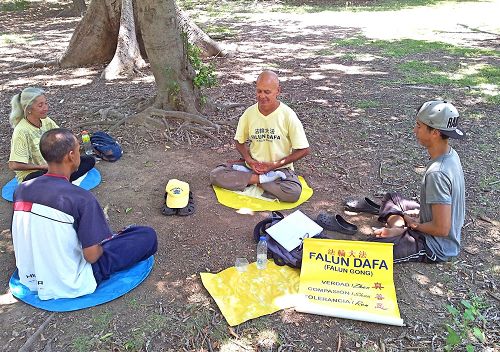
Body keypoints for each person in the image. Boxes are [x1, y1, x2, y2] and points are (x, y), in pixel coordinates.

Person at [11, 128, 157, 300]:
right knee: (146, 235)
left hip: (30, 277)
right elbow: (91, 256)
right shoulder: (82, 198)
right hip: (71, 281)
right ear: (71, 155)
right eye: (79, 150)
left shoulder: (21, 189)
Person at [369, 100, 465, 263]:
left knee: (370, 252)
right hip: (429, 220)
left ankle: (401, 232)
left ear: (434, 132)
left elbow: (441, 229)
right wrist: (411, 221)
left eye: (419, 126)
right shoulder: (450, 154)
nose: (415, 130)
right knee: (393, 198)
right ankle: (398, 229)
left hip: (434, 244)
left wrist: (414, 225)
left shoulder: (438, 173)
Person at [210, 70, 310, 202]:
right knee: (216, 175)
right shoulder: (249, 113)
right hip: (252, 167)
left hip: (279, 170)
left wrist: (274, 165)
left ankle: (252, 182)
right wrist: (249, 160)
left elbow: (304, 149)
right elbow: (239, 141)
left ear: (278, 91)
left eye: (267, 92)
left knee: (293, 192)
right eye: (259, 91)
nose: (262, 96)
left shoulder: (287, 115)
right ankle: (261, 181)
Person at [8, 87, 95, 183]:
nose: (45, 108)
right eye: (40, 105)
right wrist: (43, 167)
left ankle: (58, 180)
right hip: (35, 174)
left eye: (46, 103)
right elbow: (14, 165)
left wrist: (74, 142)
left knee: (89, 160)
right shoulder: (21, 130)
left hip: (53, 167)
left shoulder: (46, 120)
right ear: (28, 109)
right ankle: (60, 180)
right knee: (46, 177)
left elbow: (61, 136)